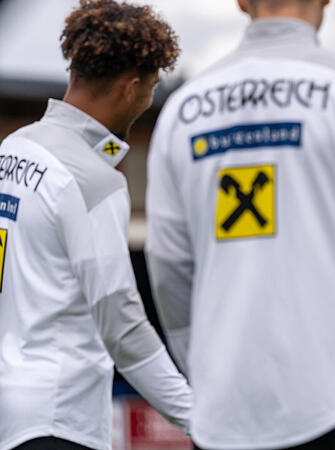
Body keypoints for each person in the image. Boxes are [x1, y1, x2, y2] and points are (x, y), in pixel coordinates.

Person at [144, 0, 335, 449]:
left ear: (241, 2)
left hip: (224, 418)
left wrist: (205, 378)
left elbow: (168, 272)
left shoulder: (181, 112)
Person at [0, 1, 192, 450]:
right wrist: (198, 418)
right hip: (58, 422)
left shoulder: (11, 150)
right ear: (131, 88)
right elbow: (122, 327)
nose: (148, 101)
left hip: (11, 417)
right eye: (151, 89)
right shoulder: (93, 181)